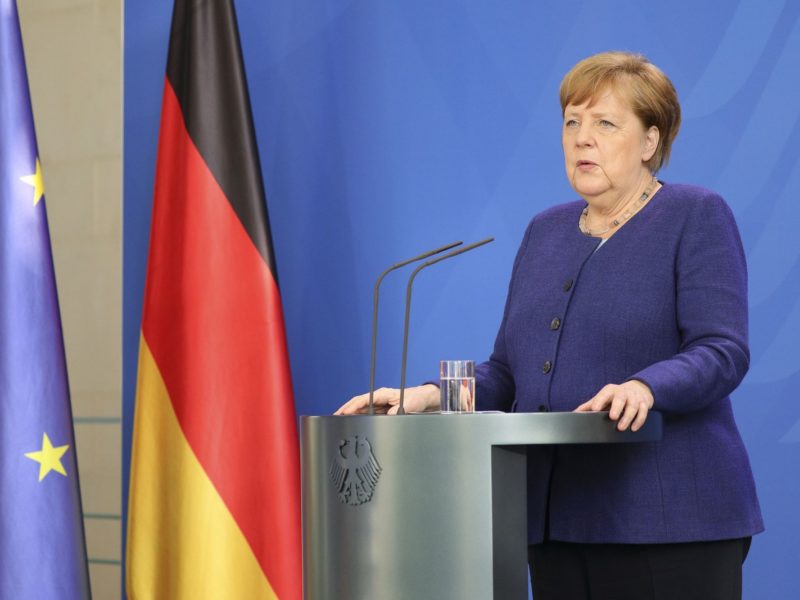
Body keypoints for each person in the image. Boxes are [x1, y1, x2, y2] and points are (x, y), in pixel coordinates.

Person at [335, 51, 763, 599]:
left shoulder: (695, 215)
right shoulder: (546, 231)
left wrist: (646, 386)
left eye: (605, 123)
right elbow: (509, 373)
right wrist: (426, 396)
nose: (582, 139)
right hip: (554, 523)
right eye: (572, 122)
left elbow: (722, 348)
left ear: (651, 142)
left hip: (669, 521)